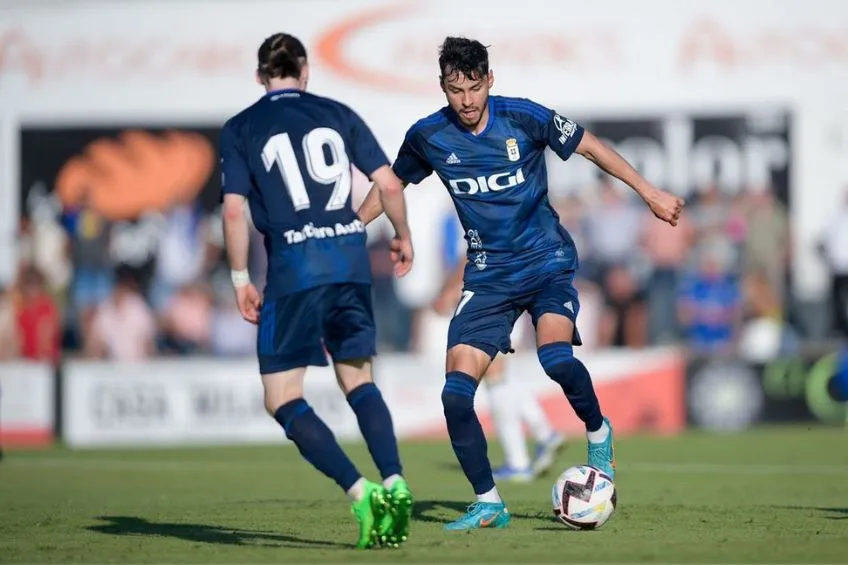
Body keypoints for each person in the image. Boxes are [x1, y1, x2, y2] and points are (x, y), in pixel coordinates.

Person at [357, 36, 684, 530]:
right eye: (454, 89)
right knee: (455, 395)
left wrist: (650, 193)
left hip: (546, 261)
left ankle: (598, 431)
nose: (465, 101)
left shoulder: (523, 117)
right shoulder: (428, 135)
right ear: (441, 87)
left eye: (472, 87)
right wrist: (345, 231)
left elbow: (591, 147)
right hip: (489, 277)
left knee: (555, 359)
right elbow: (391, 186)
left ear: (489, 80)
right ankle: (489, 502)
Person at [219, 32, 415, 549]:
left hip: (294, 269)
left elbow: (234, 209)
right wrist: (402, 236)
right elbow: (390, 184)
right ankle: (395, 480)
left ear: (261, 77)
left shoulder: (241, 127)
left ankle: (361, 492)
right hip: (349, 260)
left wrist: (240, 279)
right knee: (359, 380)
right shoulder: (337, 111)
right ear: (305, 71)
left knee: (282, 397)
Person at [433, 256, 566, 482]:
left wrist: (447, 291)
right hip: (515, 292)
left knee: (494, 378)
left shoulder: (487, 220)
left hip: (493, 297)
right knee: (498, 375)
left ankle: (519, 461)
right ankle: (543, 433)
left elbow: (474, 250)